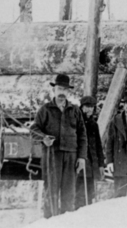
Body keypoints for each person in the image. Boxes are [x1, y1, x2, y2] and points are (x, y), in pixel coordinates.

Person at [29, 74, 87, 218]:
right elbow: (33, 130)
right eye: (60, 88)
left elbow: (82, 136)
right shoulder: (45, 110)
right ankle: (50, 223)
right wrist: (44, 138)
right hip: (52, 156)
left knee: (69, 193)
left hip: (71, 157)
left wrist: (82, 158)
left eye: (65, 90)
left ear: (68, 92)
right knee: (51, 193)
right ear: (54, 90)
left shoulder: (75, 111)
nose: (62, 92)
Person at [74, 96, 105, 209]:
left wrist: (101, 165)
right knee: (79, 195)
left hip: (92, 166)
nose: (90, 110)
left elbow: (98, 146)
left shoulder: (93, 124)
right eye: (87, 107)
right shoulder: (76, 122)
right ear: (81, 107)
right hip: (80, 166)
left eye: (92, 107)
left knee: (90, 195)